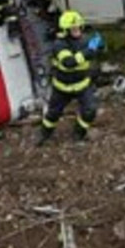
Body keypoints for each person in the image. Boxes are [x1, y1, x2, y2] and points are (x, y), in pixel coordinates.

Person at [37, 10, 104, 146]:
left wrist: (99, 44)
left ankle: (79, 134)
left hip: (82, 85)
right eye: (73, 28)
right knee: (53, 115)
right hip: (62, 87)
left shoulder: (85, 40)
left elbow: (98, 49)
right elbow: (69, 62)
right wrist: (88, 52)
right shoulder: (59, 44)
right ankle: (44, 135)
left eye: (78, 27)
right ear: (66, 30)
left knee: (90, 111)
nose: (77, 30)